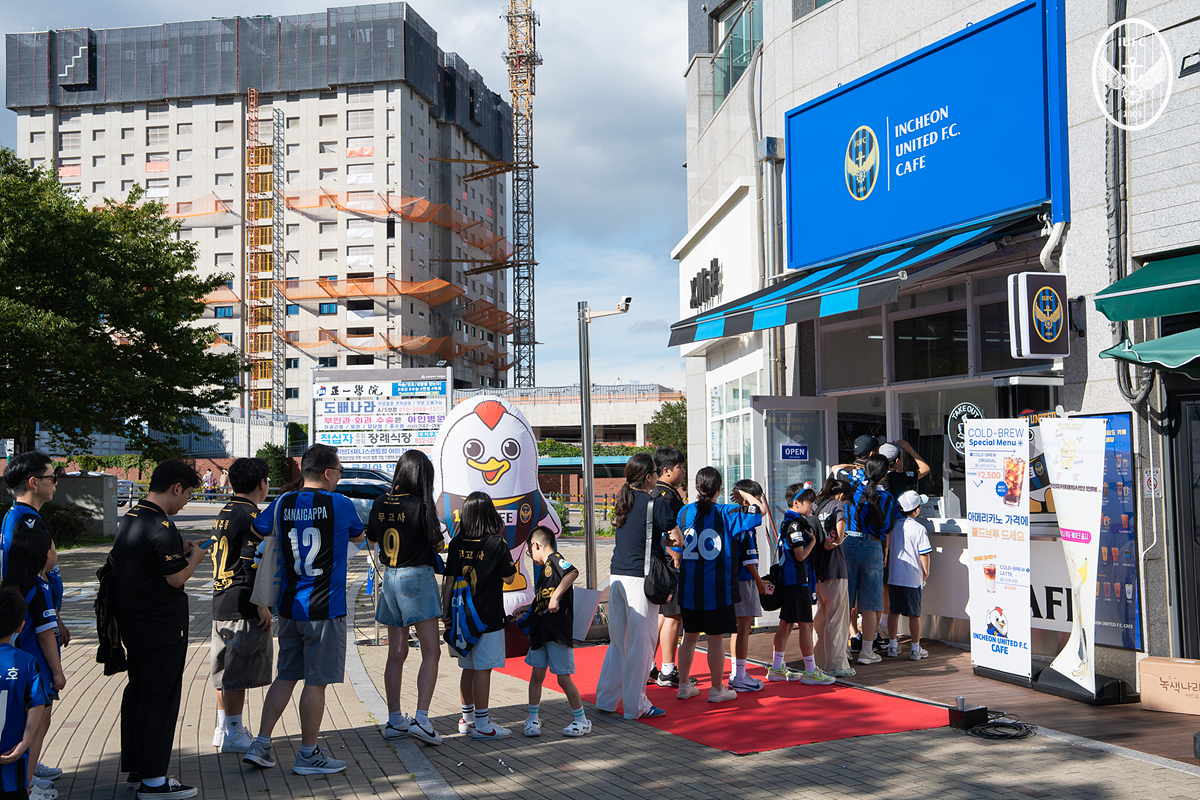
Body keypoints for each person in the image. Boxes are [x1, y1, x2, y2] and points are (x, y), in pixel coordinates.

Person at [242, 444, 365, 775]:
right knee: (316, 681)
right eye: (338, 472)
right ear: (328, 474)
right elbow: (359, 537)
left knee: (286, 674)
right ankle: (308, 754)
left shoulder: (282, 502)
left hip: (289, 606)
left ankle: (262, 743)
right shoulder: (340, 504)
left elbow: (257, 531)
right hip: (325, 607)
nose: (339, 479)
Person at [112, 459, 206, 799]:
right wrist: (194, 557)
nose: (185, 503)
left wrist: (177, 551)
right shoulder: (161, 525)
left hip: (135, 626)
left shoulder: (133, 518)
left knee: (139, 694)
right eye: (187, 495)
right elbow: (176, 577)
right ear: (176, 488)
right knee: (159, 700)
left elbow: (147, 561)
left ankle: (139, 770)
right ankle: (154, 781)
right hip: (161, 628)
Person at [366, 450, 444, 745]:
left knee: (396, 652)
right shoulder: (421, 506)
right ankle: (422, 719)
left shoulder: (379, 502)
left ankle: (395, 719)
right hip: (416, 579)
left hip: (390, 578)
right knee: (431, 651)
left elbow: (372, 538)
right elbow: (437, 544)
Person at [1, 452, 68, 786]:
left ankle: (30, 763)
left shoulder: (22, 516)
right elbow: (26, 583)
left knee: (36, 713)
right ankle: (24, 778)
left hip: (31, 623)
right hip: (27, 634)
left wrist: (56, 616)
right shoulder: (26, 522)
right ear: (33, 482)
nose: (55, 482)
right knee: (36, 713)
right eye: (52, 476)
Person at [595, 454, 672, 719]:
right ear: (649, 477)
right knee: (641, 644)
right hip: (640, 580)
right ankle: (636, 705)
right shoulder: (655, 504)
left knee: (618, 643)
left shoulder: (623, 501)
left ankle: (606, 700)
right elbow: (676, 536)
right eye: (655, 473)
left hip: (617, 577)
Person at [674, 467, 759, 703]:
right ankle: (716, 689)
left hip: (690, 587)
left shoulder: (684, 511)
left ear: (697, 487)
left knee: (688, 637)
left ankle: (683, 685)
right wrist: (745, 493)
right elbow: (758, 512)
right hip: (717, 589)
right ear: (719, 489)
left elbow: (672, 545)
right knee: (714, 639)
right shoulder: (727, 512)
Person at [208, 457, 273, 754]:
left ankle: (223, 728)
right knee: (237, 672)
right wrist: (261, 602)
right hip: (241, 603)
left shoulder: (225, 510)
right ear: (261, 483)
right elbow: (251, 561)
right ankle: (234, 731)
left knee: (222, 671)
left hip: (220, 600)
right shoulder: (251, 515)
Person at [442, 492, 518, 740]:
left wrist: (445, 612)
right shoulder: (496, 544)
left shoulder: (456, 543)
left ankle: (467, 719)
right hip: (488, 617)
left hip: (462, 617)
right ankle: (484, 725)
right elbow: (509, 577)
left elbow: (449, 580)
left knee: (468, 667)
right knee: (484, 668)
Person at [0, 523, 61, 799]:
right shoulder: (40, 585)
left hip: (13, 661)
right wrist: (58, 673)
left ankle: (25, 778)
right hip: (35, 665)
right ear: (42, 555)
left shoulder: (12, 584)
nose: (55, 552)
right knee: (38, 723)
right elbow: (46, 634)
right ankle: (27, 783)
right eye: (52, 547)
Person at [830, 454, 899, 666]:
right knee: (871, 603)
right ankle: (867, 652)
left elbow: (835, 468)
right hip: (873, 546)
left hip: (848, 544)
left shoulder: (853, 487)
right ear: (885, 474)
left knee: (845, 600)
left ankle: (844, 649)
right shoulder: (888, 499)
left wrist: (854, 466)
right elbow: (887, 528)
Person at [522, 526, 589, 738]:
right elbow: (541, 600)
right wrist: (525, 609)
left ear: (536, 545)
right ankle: (533, 718)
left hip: (557, 633)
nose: (531, 556)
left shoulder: (556, 559)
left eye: (530, 551)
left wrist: (556, 597)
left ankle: (581, 720)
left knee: (563, 679)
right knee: (536, 674)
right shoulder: (544, 571)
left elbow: (572, 572)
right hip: (541, 632)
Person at [767, 485, 836, 686]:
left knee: (786, 624)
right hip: (796, 582)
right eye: (808, 502)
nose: (812, 506)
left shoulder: (789, 522)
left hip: (789, 581)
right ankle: (810, 671)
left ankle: (777, 668)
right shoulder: (795, 525)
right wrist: (813, 541)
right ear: (796, 503)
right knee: (806, 625)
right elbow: (800, 555)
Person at [0, 588, 49, 800]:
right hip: (13, 760)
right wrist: (24, 744)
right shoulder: (27, 662)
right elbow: (38, 704)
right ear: (21, 626)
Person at [648, 447, 690, 688]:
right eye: (680, 468)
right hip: (668, 563)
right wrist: (675, 555)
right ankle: (667, 670)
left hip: (660, 563)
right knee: (673, 615)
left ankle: (650, 666)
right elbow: (668, 530)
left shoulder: (659, 492)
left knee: (664, 616)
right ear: (666, 470)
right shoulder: (665, 496)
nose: (683, 472)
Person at [811, 478, 855, 678]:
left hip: (818, 572)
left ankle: (818, 661)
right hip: (835, 569)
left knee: (820, 619)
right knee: (837, 619)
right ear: (841, 496)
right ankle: (836, 664)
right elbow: (839, 529)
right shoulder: (837, 505)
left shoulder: (816, 506)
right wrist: (838, 540)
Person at [728, 479, 769, 692]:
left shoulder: (733, 516)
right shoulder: (746, 522)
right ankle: (740, 674)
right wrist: (759, 581)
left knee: (737, 629)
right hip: (744, 579)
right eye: (758, 497)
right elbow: (749, 558)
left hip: (734, 578)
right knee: (743, 629)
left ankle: (737, 672)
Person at [886, 491, 933, 661]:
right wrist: (925, 574)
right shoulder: (919, 529)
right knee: (914, 614)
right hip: (912, 577)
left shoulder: (893, 527)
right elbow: (924, 555)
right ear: (916, 510)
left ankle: (892, 645)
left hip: (894, 576)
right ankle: (915, 648)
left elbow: (888, 548)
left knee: (894, 611)